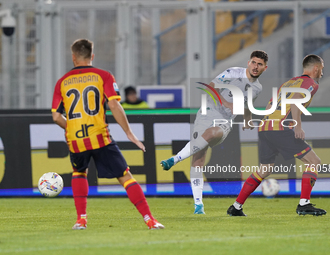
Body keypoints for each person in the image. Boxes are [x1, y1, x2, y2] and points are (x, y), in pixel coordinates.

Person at [51, 38, 164, 230]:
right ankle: (149, 219)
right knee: (125, 176)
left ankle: (81, 220)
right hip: (100, 136)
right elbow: (113, 103)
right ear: (92, 56)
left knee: (79, 172)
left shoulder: (62, 82)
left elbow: (55, 116)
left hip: (76, 139)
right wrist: (129, 132)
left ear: (73, 57)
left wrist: (71, 127)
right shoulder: (103, 75)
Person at [161, 50, 268, 214]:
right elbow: (210, 87)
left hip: (225, 121)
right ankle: (198, 205)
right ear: (248, 62)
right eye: (254, 62)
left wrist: (248, 119)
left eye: (259, 64)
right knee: (198, 160)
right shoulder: (233, 72)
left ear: (264, 68)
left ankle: (175, 159)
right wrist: (225, 102)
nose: (255, 66)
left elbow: (248, 104)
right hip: (206, 113)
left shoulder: (257, 88)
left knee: (212, 133)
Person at [227, 54, 326, 216]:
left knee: (264, 169)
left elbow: (271, 103)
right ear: (316, 68)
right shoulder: (311, 83)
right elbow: (295, 100)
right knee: (314, 161)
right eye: (321, 68)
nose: (322, 72)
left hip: (265, 126)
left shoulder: (289, 82)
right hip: (281, 127)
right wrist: (297, 125)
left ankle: (236, 207)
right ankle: (304, 204)